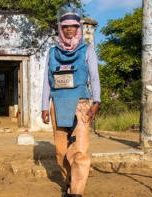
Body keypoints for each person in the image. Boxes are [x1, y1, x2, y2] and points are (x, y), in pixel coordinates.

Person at [41, 4, 101, 197]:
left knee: (80, 150)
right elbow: (46, 82)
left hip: (81, 104)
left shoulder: (87, 50)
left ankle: (76, 192)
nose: (69, 29)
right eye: (65, 26)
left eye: (73, 26)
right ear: (60, 28)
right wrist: (44, 106)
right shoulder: (52, 52)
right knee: (61, 152)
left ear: (78, 28)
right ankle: (68, 182)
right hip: (57, 105)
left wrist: (96, 102)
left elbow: (94, 77)